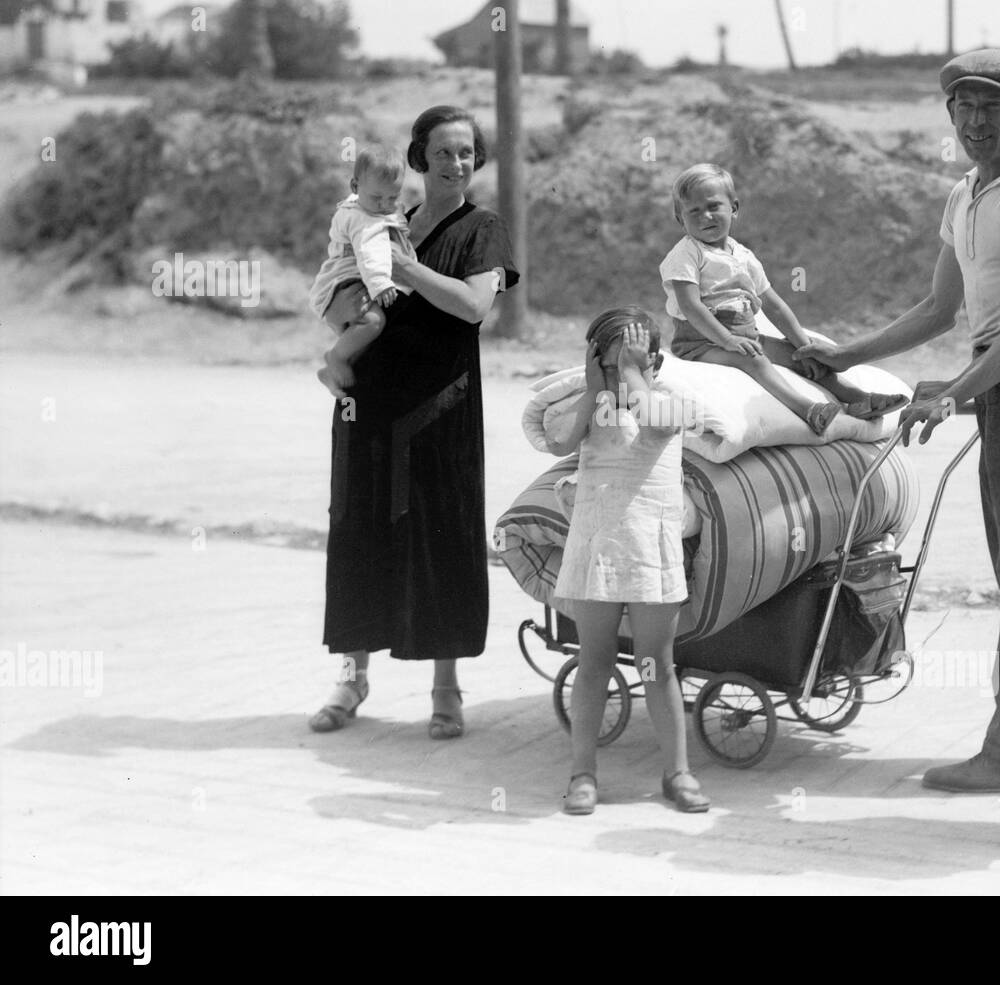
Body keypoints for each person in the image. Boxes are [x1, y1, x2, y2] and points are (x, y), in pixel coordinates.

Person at [795, 50, 1000, 793]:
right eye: (965, 109)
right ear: (949, 115)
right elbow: (939, 310)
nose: (977, 122)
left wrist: (955, 390)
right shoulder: (965, 195)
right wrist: (842, 355)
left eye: (994, 108)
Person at [309, 105, 518, 739]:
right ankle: (352, 676)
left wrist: (403, 268)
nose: (456, 163)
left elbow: (475, 305)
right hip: (369, 403)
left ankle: (446, 686)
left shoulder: (481, 228)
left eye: (466, 152)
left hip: (441, 407)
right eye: (443, 152)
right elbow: (340, 285)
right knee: (358, 531)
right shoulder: (383, 217)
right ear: (418, 158)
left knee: (442, 537)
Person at [549, 307, 708, 815]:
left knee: (657, 665)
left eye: (633, 364)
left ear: (655, 363)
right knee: (592, 663)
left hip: (650, 551)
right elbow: (558, 441)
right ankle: (582, 774)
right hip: (598, 549)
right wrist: (597, 387)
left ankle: (677, 772)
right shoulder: (593, 407)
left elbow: (653, 423)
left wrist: (634, 375)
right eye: (611, 365)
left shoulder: (670, 403)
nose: (620, 377)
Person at [661, 163, 906, 436]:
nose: (705, 216)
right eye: (693, 211)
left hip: (746, 335)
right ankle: (807, 409)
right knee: (754, 361)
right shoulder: (686, 254)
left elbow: (775, 306)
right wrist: (727, 341)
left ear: (734, 208)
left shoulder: (744, 256)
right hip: (701, 343)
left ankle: (859, 398)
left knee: (804, 358)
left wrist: (804, 345)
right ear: (680, 219)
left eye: (713, 206)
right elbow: (690, 306)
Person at [308, 145, 415, 397]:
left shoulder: (366, 208)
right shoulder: (363, 219)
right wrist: (380, 284)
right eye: (377, 198)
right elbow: (370, 252)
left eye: (392, 197)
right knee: (373, 322)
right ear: (355, 187)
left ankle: (330, 373)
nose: (384, 205)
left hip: (349, 284)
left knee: (365, 340)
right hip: (346, 284)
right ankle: (335, 357)